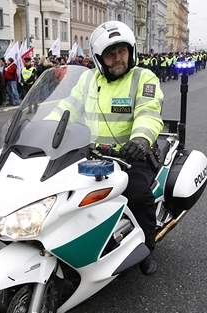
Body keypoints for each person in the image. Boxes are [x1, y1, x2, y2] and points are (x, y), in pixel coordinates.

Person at [51, 21, 164, 275]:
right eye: (110, 54)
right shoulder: (89, 80)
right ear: (99, 58)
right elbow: (67, 109)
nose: (117, 58)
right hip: (91, 155)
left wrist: (140, 141)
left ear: (131, 51)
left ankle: (146, 247)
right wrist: (44, 129)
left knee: (138, 195)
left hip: (129, 156)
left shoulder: (143, 78)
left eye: (122, 51)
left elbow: (149, 113)